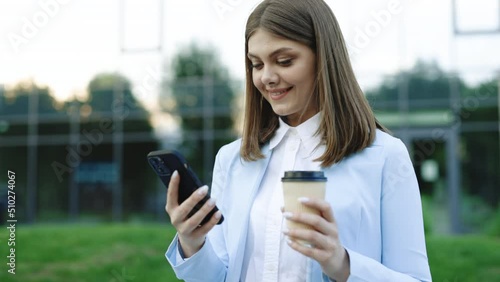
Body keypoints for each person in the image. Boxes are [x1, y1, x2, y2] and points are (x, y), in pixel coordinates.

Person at [164, 0, 432, 281]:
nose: (266, 77)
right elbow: (218, 276)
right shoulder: (233, 159)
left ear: (324, 58)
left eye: (284, 61)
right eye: (256, 64)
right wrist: (192, 243)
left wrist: (342, 264)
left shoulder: (384, 156)